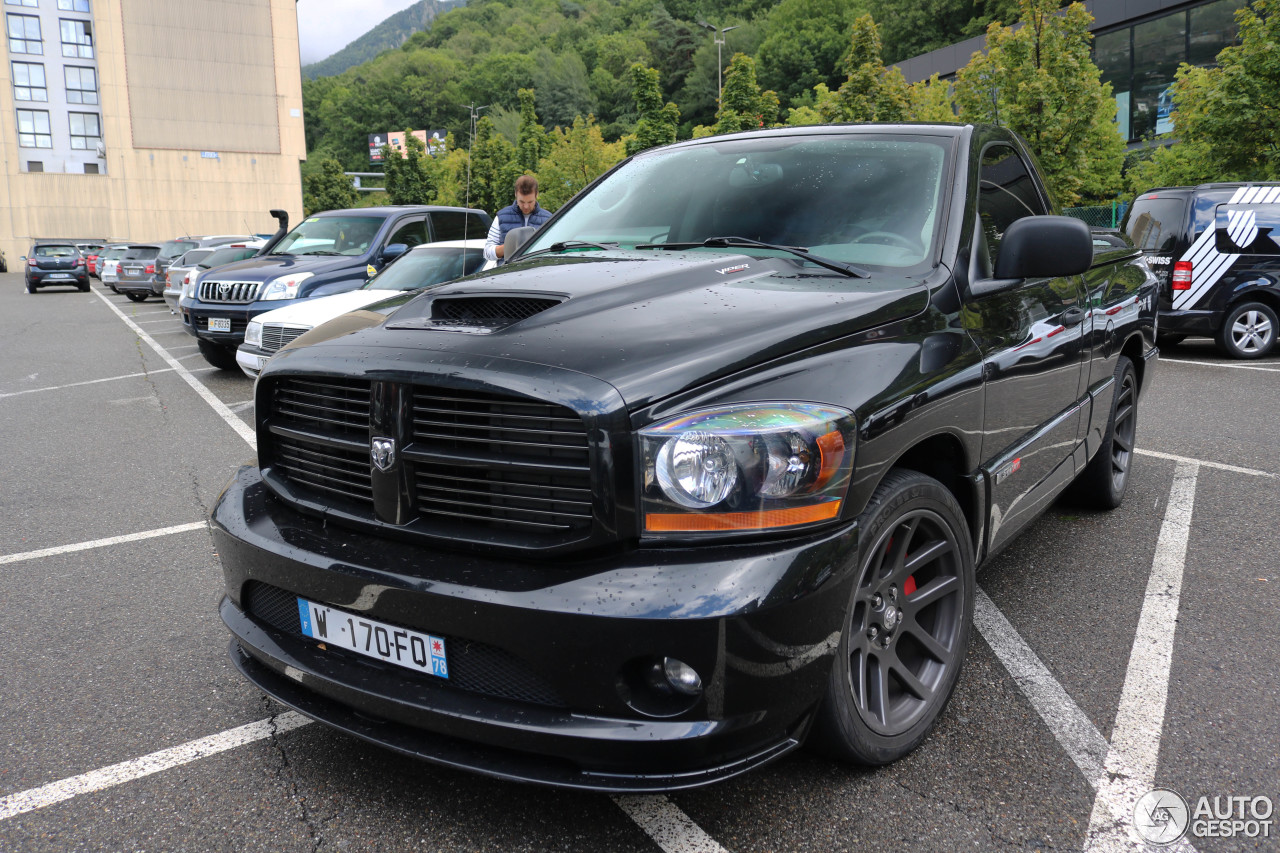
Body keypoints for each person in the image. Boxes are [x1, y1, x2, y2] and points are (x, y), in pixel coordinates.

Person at [484, 175, 553, 264]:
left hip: (537, 274)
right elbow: (487, 253)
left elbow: (554, 252)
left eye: (530, 202)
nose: (526, 206)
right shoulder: (501, 216)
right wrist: (510, 247)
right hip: (508, 275)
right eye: (522, 202)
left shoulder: (548, 219)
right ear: (515, 194)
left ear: (537, 195)